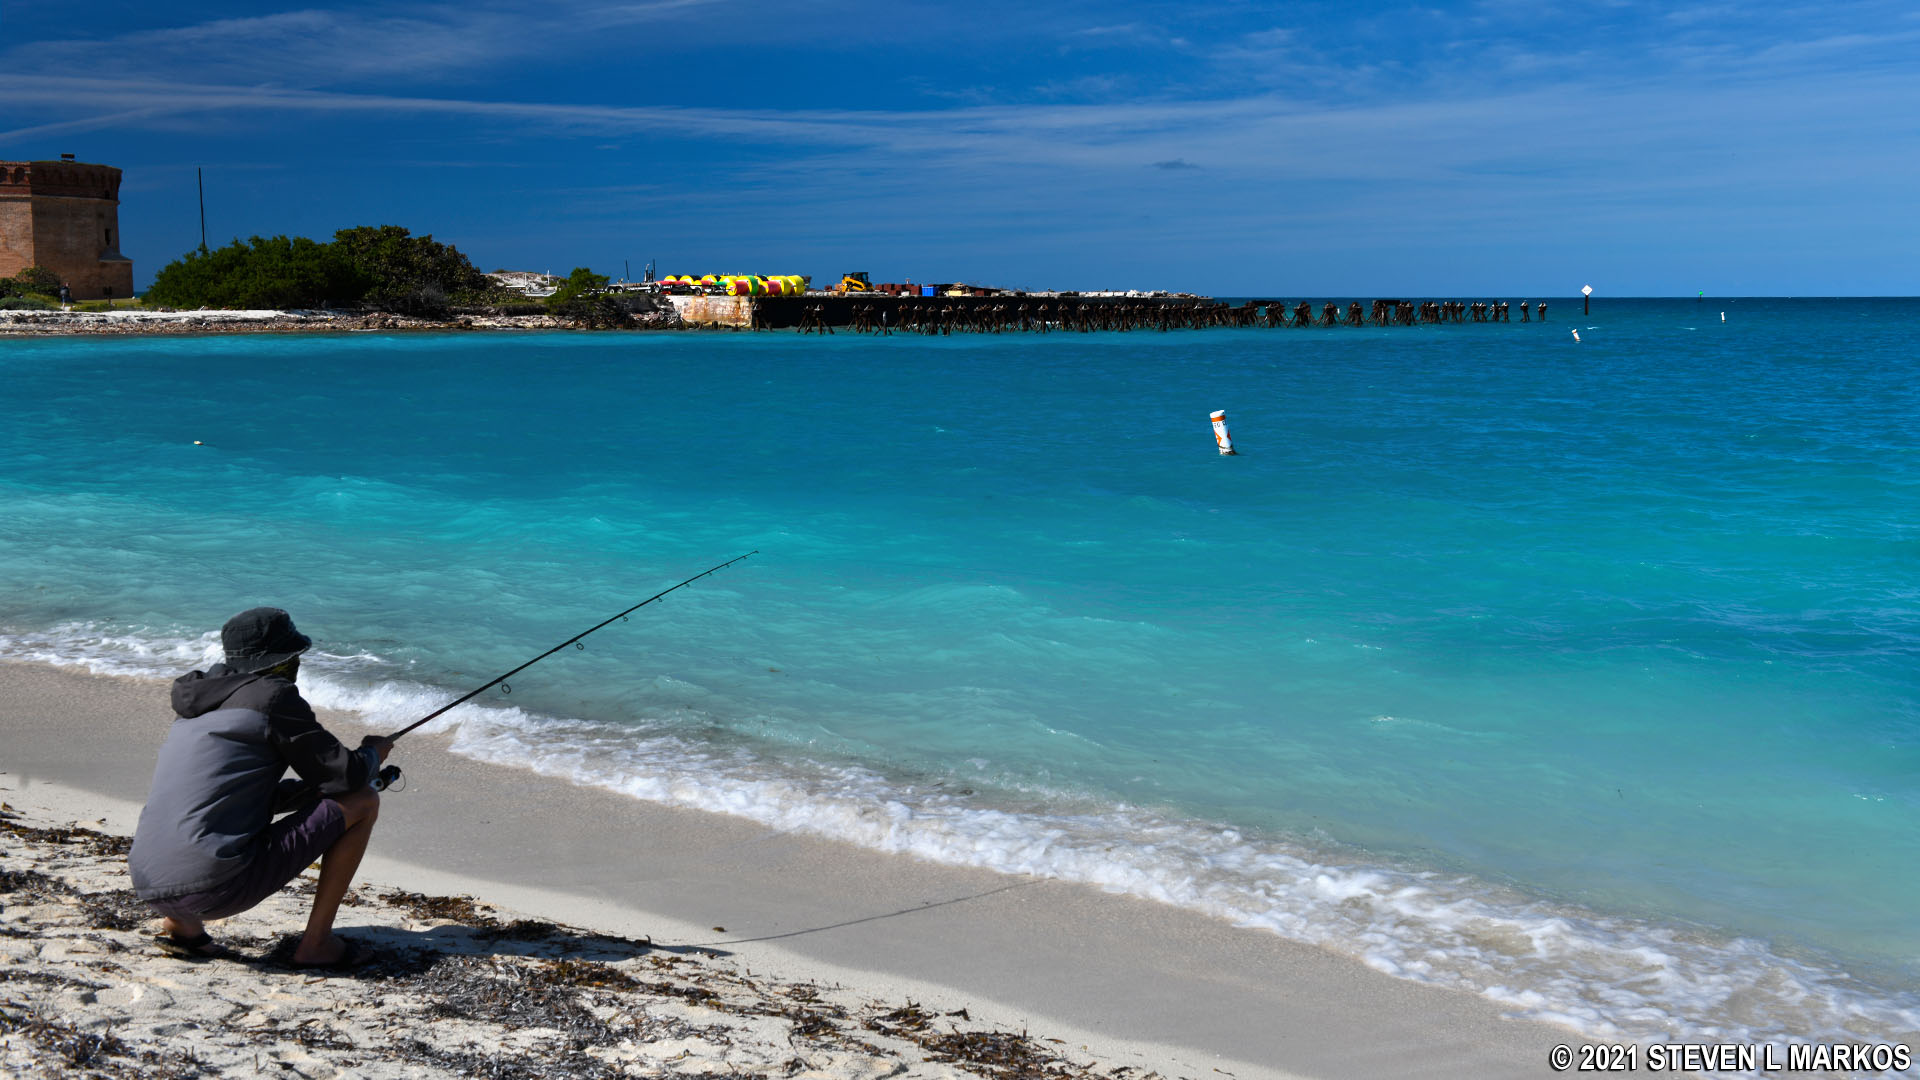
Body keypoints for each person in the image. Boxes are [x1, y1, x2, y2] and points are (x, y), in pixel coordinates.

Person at [128, 607, 392, 968]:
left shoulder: (198, 703)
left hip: (147, 882)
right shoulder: (273, 696)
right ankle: (315, 944)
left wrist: (307, 793)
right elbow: (345, 775)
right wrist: (373, 754)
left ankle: (181, 926)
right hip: (214, 888)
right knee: (363, 799)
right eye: (294, 656)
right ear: (282, 660)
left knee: (195, 823)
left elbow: (225, 796)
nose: (297, 664)